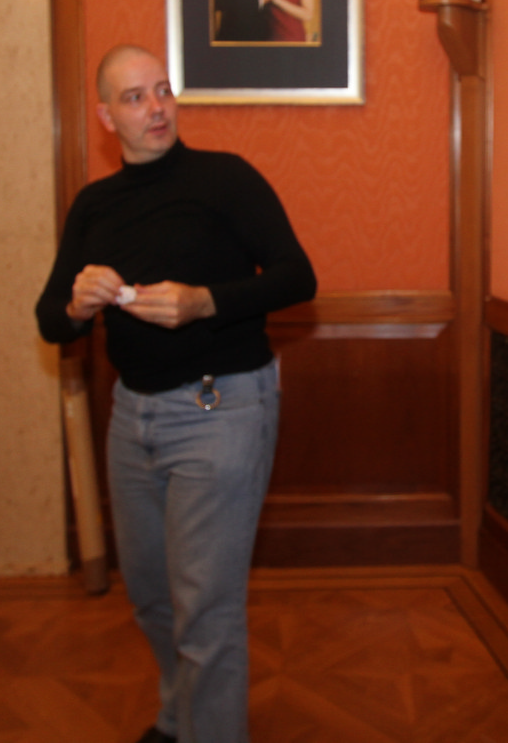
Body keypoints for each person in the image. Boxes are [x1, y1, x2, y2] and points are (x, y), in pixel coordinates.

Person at [35, 44, 316, 743]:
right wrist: (77, 303)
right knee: (153, 597)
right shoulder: (94, 206)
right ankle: (178, 716)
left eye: (162, 90)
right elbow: (50, 321)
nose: (156, 107)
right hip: (131, 417)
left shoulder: (225, 179)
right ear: (106, 116)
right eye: (135, 97)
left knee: (205, 609)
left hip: (221, 409)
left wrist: (204, 302)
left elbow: (297, 277)